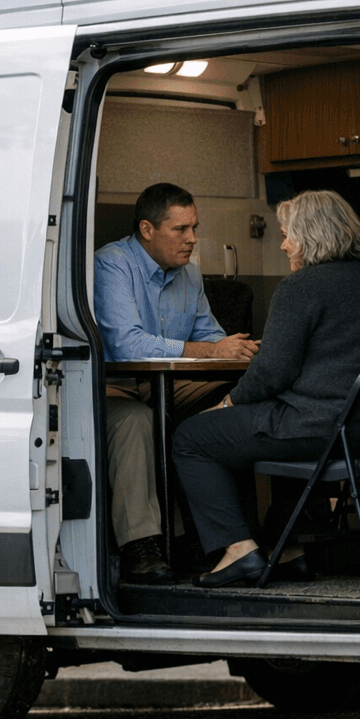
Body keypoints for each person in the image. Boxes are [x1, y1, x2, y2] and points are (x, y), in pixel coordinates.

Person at [173, 190, 360, 588]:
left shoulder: (301, 286)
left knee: (192, 436)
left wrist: (227, 403)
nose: (282, 243)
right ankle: (287, 548)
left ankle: (239, 551)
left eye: (287, 234)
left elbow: (271, 374)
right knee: (273, 428)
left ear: (310, 236)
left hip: (325, 426)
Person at [94, 182, 259, 585]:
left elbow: (212, 339)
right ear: (147, 229)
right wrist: (212, 352)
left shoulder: (189, 273)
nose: (192, 239)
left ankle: (237, 539)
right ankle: (143, 548)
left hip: (169, 384)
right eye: (181, 229)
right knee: (134, 421)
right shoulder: (112, 264)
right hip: (117, 383)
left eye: (195, 228)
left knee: (237, 403)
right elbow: (126, 344)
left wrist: (240, 352)